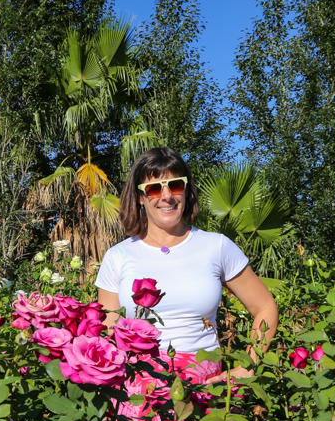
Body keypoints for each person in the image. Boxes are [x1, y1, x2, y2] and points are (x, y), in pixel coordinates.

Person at [95, 147, 278, 382]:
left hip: (204, 386)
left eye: (175, 185)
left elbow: (265, 307)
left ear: (186, 190)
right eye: (153, 189)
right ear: (140, 197)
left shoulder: (217, 246)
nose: (167, 196)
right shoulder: (118, 256)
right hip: (138, 387)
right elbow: (110, 331)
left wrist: (249, 366)